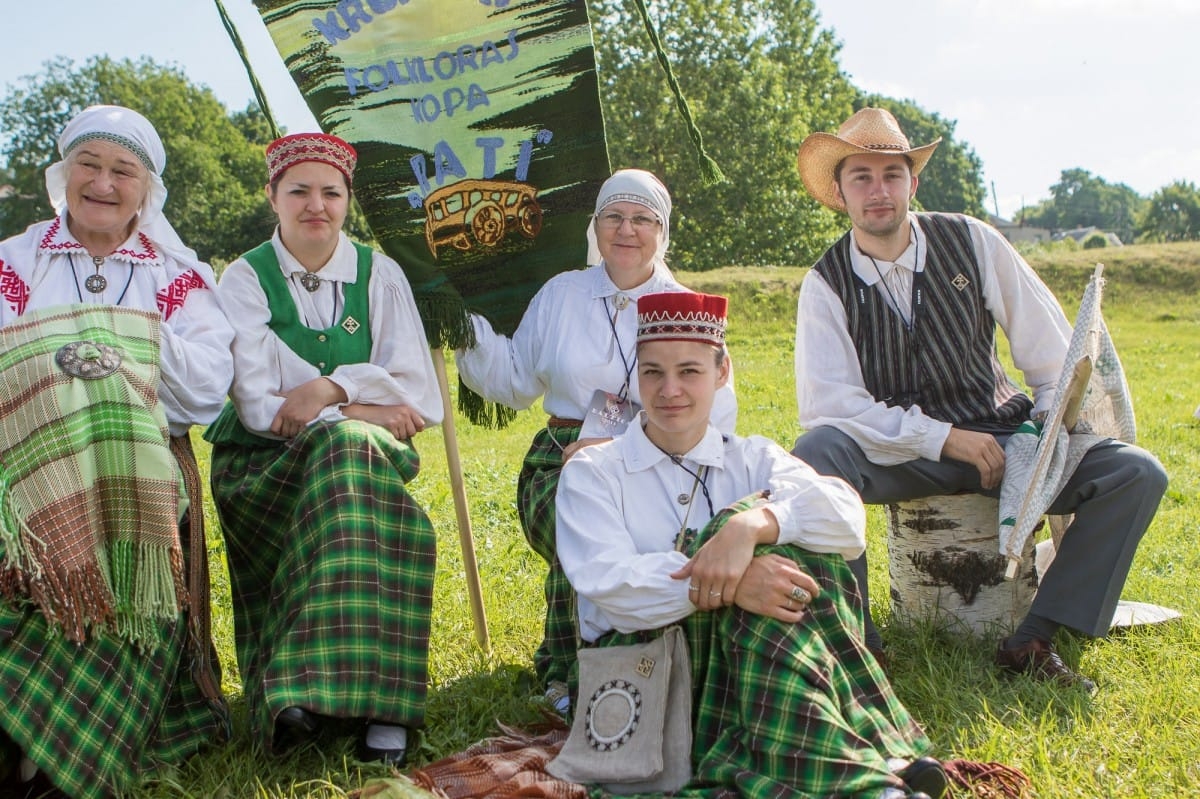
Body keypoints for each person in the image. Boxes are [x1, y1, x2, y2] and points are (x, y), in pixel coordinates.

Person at [790, 107, 1168, 690]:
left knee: (1135, 473)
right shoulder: (825, 283)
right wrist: (943, 438)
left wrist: (1038, 436)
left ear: (913, 182)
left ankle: (1032, 638)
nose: (878, 191)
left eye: (892, 174)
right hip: (910, 457)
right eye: (861, 177)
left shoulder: (972, 240)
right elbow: (830, 406)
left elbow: (1055, 361)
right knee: (816, 453)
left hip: (1003, 435)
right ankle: (859, 649)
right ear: (839, 193)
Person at [555, 291, 947, 799]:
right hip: (652, 665)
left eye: (690, 371)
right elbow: (612, 589)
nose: (669, 390)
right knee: (764, 582)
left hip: (753, 659)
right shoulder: (593, 472)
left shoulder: (752, 456)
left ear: (721, 372)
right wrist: (735, 581)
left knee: (788, 545)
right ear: (636, 377)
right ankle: (867, 771)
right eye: (653, 372)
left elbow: (848, 521)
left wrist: (757, 526)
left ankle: (848, 774)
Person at [0, 105, 233, 797]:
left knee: (126, 483)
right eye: (89, 165)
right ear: (62, 176)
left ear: (146, 189)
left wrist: (117, 343)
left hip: (141, 469)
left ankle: (64, 742)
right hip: (27, 462)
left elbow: (204, 391)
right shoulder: (14, 260)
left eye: (122, 170)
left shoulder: (177, 276)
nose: (103, 183)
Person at [455, 168, 737, 707]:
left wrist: (624, 450)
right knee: (577, 511)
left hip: (661, 463)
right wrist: (461, 324)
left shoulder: (688, 308)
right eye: (613, 216)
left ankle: (659, 665)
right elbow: (514, 379)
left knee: (645, 529)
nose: (626, 230)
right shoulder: (563, 293)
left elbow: (717, 418)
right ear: (596, 225)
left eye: (641, 219)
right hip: (560, 459)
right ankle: (566, 673)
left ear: (663, 230)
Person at [204, 132, 442, 765]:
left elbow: (421, 400)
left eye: (331, 192)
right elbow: (262, 410)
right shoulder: (246, 278)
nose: (317, 205)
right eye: (299, 191)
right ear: (272, 198)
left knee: (344, 453)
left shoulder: (379, 274)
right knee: (348, 457)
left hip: (351, 457)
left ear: (348, 200)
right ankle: (379, 708)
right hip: (262, 466)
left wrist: (329, 388)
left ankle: (306, 694)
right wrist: (368, 405)